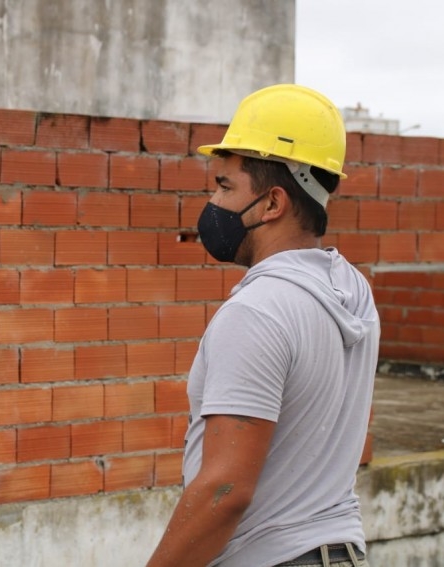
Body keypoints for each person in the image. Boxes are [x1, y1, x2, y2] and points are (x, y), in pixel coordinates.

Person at [147, 84, 378, 567]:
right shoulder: (352, 292)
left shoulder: (258, 310)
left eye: (226, 186)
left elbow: (224, 489)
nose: (213, 202)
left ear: (272, 204)